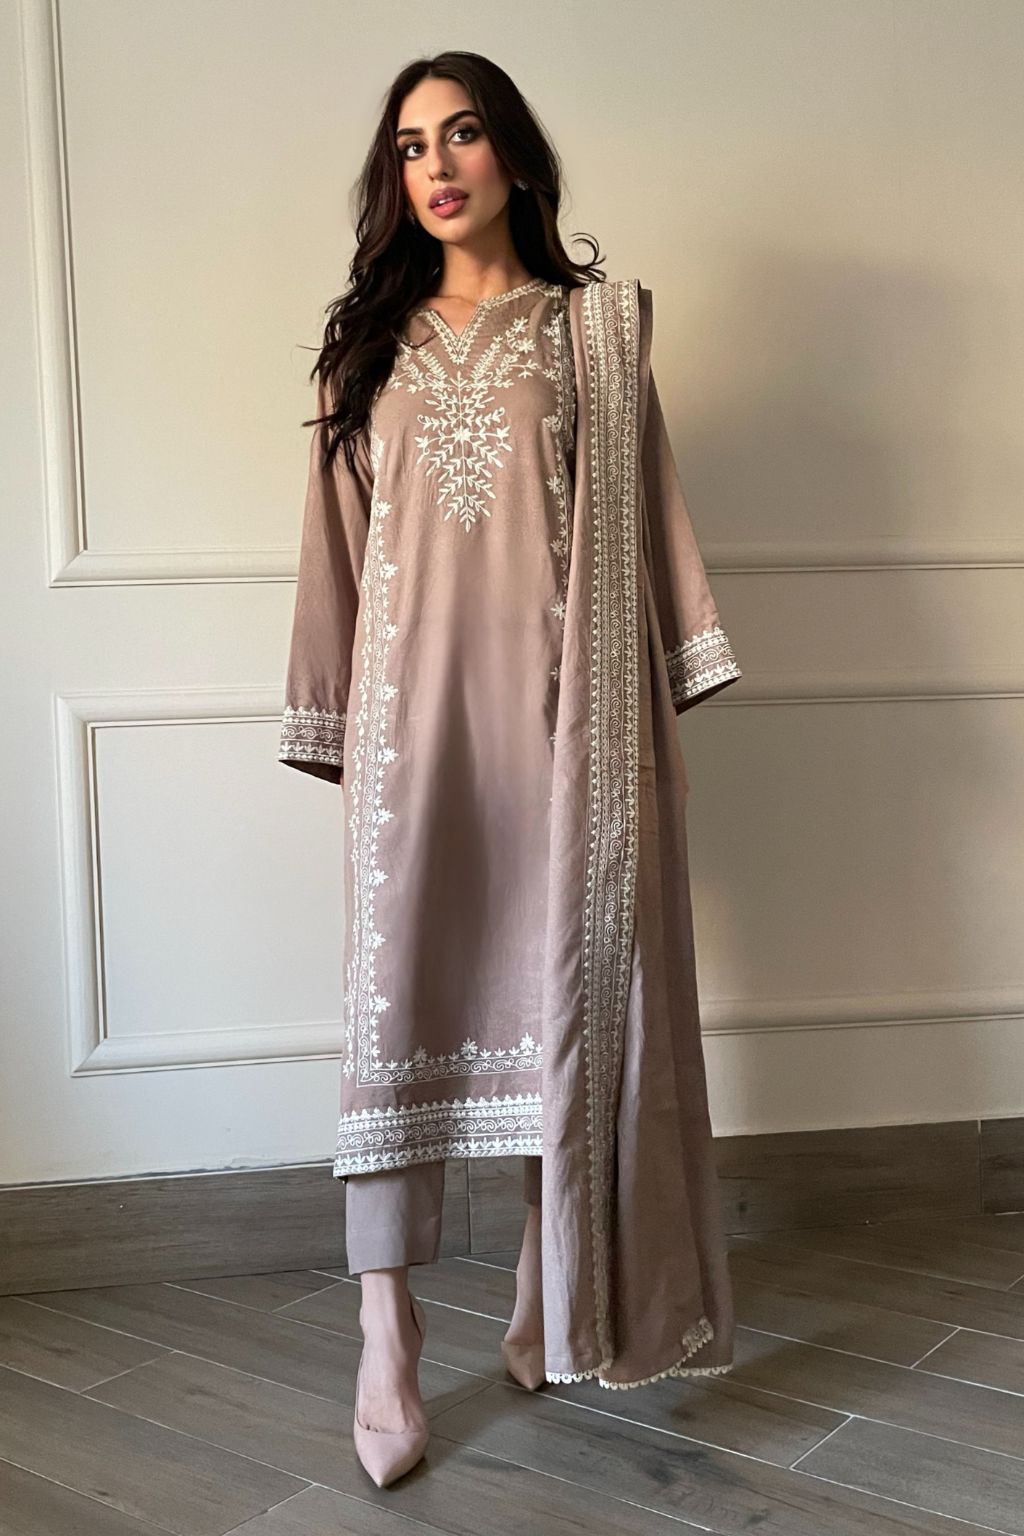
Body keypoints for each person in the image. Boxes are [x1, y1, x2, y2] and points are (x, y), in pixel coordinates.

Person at [279, 50, 743, 1487]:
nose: (437, 164)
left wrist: (661, 703)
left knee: (568, 1000)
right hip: (414, 739)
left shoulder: (593, 334)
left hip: (563, 727)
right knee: (396, 1015)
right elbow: (337, 559)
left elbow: (647, 520)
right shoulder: (367, 352)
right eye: (411, 145)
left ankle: (556, 1286)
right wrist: (329, 722)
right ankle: (387, 1333)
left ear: (516, 157)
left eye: (463, 132)